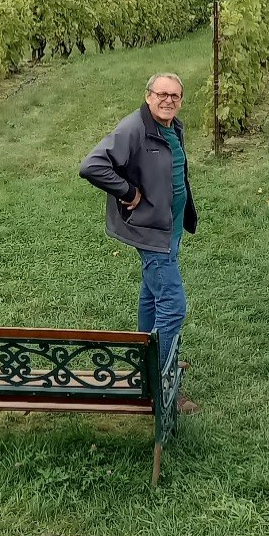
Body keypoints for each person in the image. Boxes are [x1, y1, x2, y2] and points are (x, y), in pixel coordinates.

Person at [80, 72, 196, 364]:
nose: (168, 100)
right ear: (148, 96)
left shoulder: (172, 126)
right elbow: (92, 165)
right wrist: (128, 192)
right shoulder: (134, 128)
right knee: (172, 304)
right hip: (151, 231)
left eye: (175, 96)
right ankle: (162, 377)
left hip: (169, 226)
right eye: (162, 94)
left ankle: (146, 364)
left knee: (152, 295)